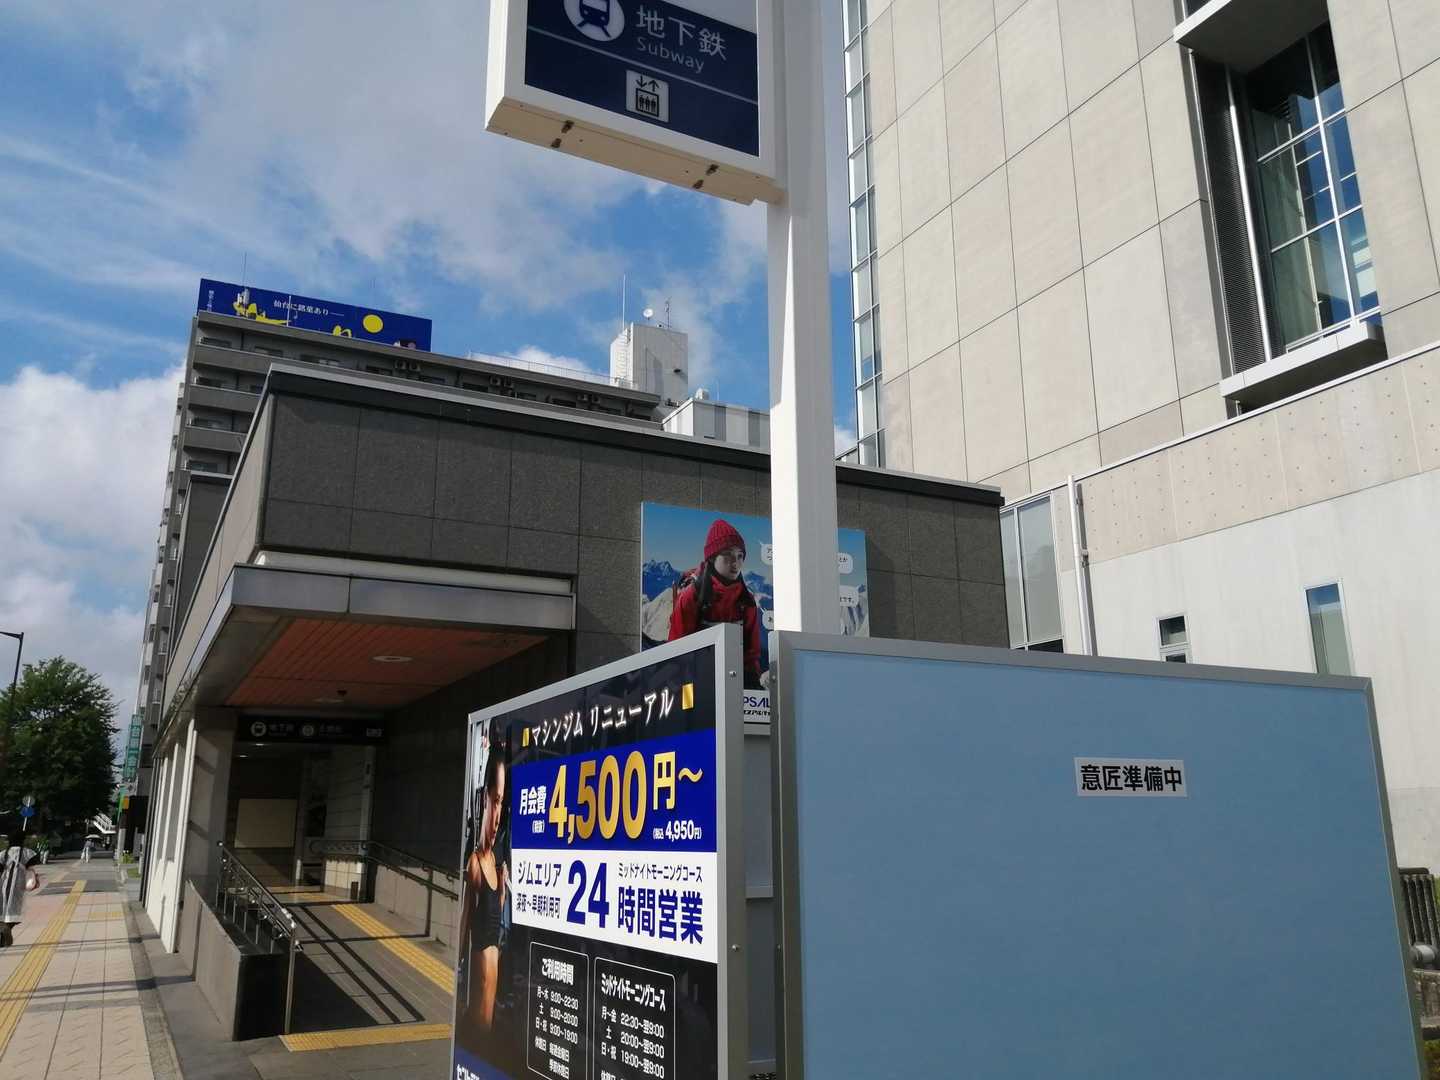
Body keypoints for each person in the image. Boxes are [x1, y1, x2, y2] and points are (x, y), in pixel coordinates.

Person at [668, 518, 763, 688]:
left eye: (740, 556)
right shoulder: (692, 596)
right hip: (693, 680)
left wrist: (753, 689)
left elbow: (751, 656)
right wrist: (685, 696)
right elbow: (677, 651)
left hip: (733, 680)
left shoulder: (746, 602)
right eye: (727, 555)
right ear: (711, 558)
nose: (735, 563)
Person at [464, 723, 509, 1032]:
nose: (497, 815)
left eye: (502, 803)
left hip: (487, 1031)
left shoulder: (498, 862)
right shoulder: (475, 864)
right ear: (483, 800)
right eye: (495, 801)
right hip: (475, 1030)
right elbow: (465, 918)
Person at [0, 831, 40, 947]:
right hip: (18, 886)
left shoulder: (3, 853)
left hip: (2, 885)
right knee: (15, 912)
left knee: (2, 910)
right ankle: (6, 929)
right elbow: (33, 864)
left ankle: (3, 932)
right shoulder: (28, 853)